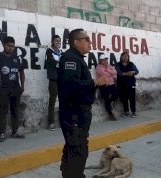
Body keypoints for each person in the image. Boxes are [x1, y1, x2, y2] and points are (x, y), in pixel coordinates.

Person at [57, 28, 109, 178]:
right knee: (78, 149)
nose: (90, 42)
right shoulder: (71, 59)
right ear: (76, 42)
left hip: (77, 112)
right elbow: (71, 86)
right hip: (74, 113)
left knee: (73, 147)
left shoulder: (76, 57)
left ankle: (70, 174)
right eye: (87, 39)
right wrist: (95, 82)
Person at [0, 36, 26, 142]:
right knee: (3, 111)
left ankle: (15, 132)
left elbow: (22, 73)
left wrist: (22, 86)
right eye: (8, 46)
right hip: (3, 89)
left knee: (15, 110)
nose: (10, 48)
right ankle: (2, 133)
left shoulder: (18, 58)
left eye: (12, 46)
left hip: (15, 89)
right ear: (4, 45)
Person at [45, 35, 62, 130]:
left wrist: (58, 61)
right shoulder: (49, 51)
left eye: (59, 41)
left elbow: (60, 63)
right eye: (56, 41)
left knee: (63, 101)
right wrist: (58, 61)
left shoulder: (61, 52)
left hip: (61, 80)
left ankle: (62, 120)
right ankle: (50, 123)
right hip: (53, 79)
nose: (58, 42)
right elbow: (53, 62)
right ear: (52, 42)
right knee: (52, 101)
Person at [116, 51, 139, 118]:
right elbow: (118, 72)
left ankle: (133, 112)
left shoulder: (131, 64)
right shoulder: (118, 64)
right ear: (121, 57)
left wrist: (133, 72)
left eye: (126, 56)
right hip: (121, 85)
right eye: (123, 56)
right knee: (124, 98)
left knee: (132, 98)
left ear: (128, 57)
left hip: (131, 84)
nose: (125, 58)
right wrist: (126, 74)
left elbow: (137, 71)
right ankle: (126, 111)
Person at [96, 53, 119, 121]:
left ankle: (110, 102)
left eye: (106, 59)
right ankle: (110, 114)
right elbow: (104, 74)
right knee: (106, 98)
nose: (105, 61)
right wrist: (110, 72)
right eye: (103, 60)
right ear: (100, 61)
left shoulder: (109, 66)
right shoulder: (98, 67)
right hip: (103, 85)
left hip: (111, 84)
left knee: (116, 95)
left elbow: (116, 72)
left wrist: (108, 71)